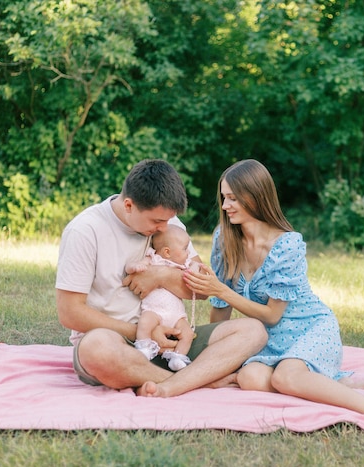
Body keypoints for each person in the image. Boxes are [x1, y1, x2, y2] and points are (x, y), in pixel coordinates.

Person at [183, 159, 364, 415]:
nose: (225, 206)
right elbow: (221, 309)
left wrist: (221, 290)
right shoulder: (225, 238)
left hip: (310, 329)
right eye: (224, 198)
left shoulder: (286, 245)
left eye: (232, 199)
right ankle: (330, 382)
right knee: (250, 379)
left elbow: (272, 315)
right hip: (268, 339)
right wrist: (214, 354)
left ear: (255, 197)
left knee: (284, 377)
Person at [56, 159, 267, 396]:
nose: (163, 228)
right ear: (128, 205)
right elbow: (69, 312)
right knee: (97, 350)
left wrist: (162, 275)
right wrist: (141, 332)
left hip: (174, 340)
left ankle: (172, 383)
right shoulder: (85, 231)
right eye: (157, 221)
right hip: (118, 342)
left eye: (168, 220)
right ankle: (198, 382)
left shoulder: (167, 222)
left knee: (253, 331)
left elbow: (203, 289)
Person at [125, 225, 199, 371]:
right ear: (167, 252)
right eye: (185, 248)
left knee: (188, 334)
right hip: (154, 310)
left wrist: (196, 268)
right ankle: (145, 347)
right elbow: (136, 265)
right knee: (145, 323)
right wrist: (134, 267)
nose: (188, 252)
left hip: (177, 315)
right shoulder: (152, 258)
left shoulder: (183, 265)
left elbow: (196, 276)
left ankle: (177, 357)